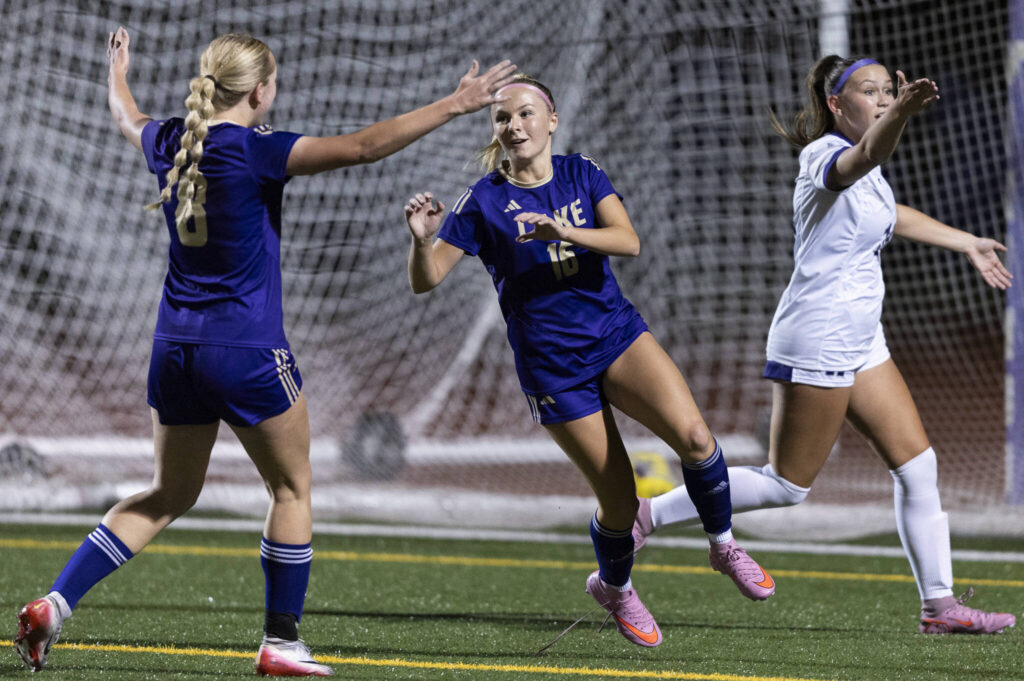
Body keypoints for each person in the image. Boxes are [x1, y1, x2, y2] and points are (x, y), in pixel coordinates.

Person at [13, 27, 516, 675]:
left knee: (167, 493)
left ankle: (54, 604)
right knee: (291, 487)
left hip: (175, 349)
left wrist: (119, 72)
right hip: (246, 349)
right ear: (259, 91)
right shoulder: (256, 151)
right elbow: (363, 148)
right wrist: (454, 104)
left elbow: (124, 115)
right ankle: (281, 640)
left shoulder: (172, 140)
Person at [632, 55, 1015, 635]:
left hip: (861, 337)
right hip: (819, 336)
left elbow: (891, 214)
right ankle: (646, 515)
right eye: (871, 91)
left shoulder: (873, 176)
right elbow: (866, 158)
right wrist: (906, 112)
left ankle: (940, 608)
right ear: (837, 104)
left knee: (918, 466)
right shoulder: (823, 156)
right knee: (786, 485)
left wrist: (964, 242)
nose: (884, 98)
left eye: (890, 90)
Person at [403, 74, 774, 649]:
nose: (514, 126)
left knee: (696, 437)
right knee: (620, 499)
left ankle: (723, 544)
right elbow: (427, 282)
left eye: (526, 114)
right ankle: (616, 587)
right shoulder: (481, 201)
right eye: (503, 119)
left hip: (616, 335)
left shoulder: (581, 172)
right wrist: (422, 240)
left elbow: (628, 241)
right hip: (553, 366)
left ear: (551, 121)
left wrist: (564, 230)